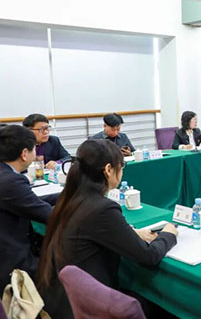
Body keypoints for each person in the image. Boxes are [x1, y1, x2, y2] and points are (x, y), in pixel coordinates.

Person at [37, 140, 178, 318]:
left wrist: (130, 232)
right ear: (109, 169)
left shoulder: (71, 197)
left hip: (62, 299)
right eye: (122, 166)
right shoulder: (103, 208)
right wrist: (168, 234)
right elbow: (148, 257)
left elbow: (95, 230)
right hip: (90, 305)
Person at [0, 125, 55, 286]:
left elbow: (29, 201)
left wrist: (66, 195)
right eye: (34, 149)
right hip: (12, 262)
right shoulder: (11, 181)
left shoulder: (6, 175)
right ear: (24, 154)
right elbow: (48, 215)